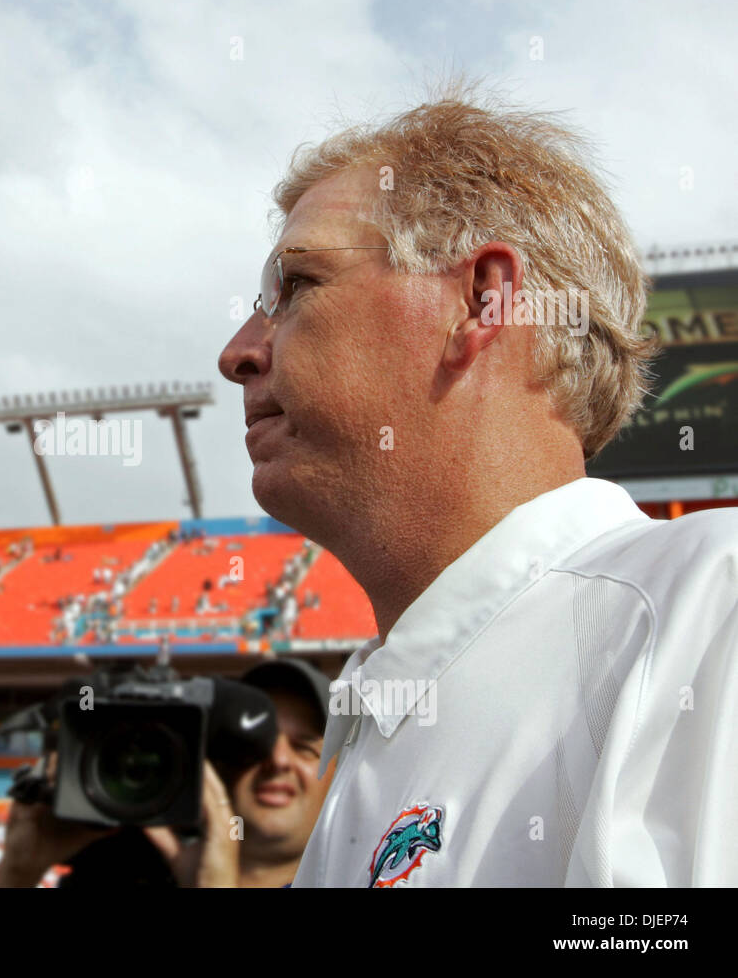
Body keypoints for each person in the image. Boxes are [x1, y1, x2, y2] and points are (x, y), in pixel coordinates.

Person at [218, 86, 738, 886]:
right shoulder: (370, 708)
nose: (239, 351)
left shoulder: (706, 606)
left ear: (481, 299)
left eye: (298, 286)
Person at [0, 657, 335, 887]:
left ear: (337, 774)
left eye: (304, 747)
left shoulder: (360, 877)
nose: (277, 760)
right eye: (256, 744)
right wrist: (17, 873)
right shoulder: (121, 872)